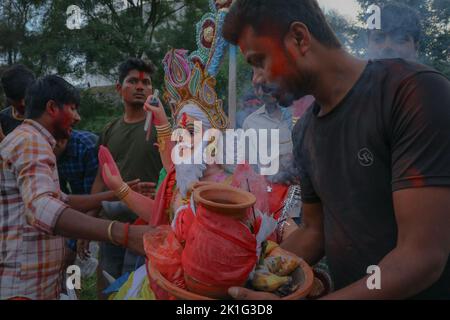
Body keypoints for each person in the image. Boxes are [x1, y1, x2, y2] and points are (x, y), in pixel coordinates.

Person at [222, 0, 450, 299]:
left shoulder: (413, 93)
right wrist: (241, 274)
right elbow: (314, 232)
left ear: (299, 38)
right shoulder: (304, 131)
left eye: (259, 61)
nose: (257, 79)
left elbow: (421, 257)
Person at [0, 75, 151, 300]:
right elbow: (43, 208)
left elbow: (62, 200)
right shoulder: (31, 142)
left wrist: (120, 192)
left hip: (33, 282)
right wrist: (123, 234)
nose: (78, 117)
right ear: (52, 108)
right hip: (24, 286)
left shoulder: (28, 140)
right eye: (72, 108)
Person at [88, 58, 163, 294]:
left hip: (146, 226)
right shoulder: (110, 129)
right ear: (119, 88)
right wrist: (90, 222)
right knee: (108, 284)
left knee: (138, 288)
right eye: (133, 81)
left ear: (152, 90)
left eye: (146, 82)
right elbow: (102, 177)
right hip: (112, 222)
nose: (141, 86)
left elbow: (175, 173)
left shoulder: (163, 128)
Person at [54, 130, 99, 195]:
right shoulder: (53, 152)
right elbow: (59, 191)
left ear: (60, 142)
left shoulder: (87, 147)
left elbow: (94, 194)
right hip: (79, 199)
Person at [0, 64, 35, 142]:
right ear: (8, 97)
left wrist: (2, 139)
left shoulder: (45, 117)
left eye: (25, 97)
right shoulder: (2, 119)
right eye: (17, 99)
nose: (23, 103)